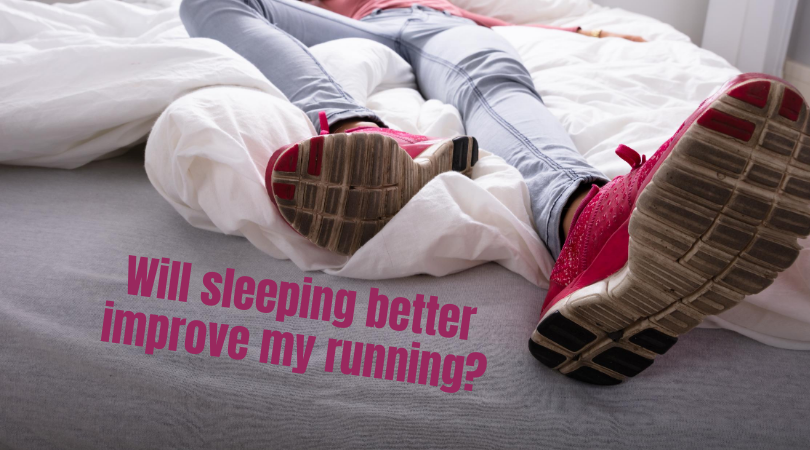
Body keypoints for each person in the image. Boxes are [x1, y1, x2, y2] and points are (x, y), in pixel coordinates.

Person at [180, 0, 810, 384]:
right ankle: (362, 136)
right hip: (347, 29)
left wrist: (596, 37)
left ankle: (590, 222)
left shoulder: (451, 8)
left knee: (490, 82)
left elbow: (529, 23)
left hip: (437, 27)